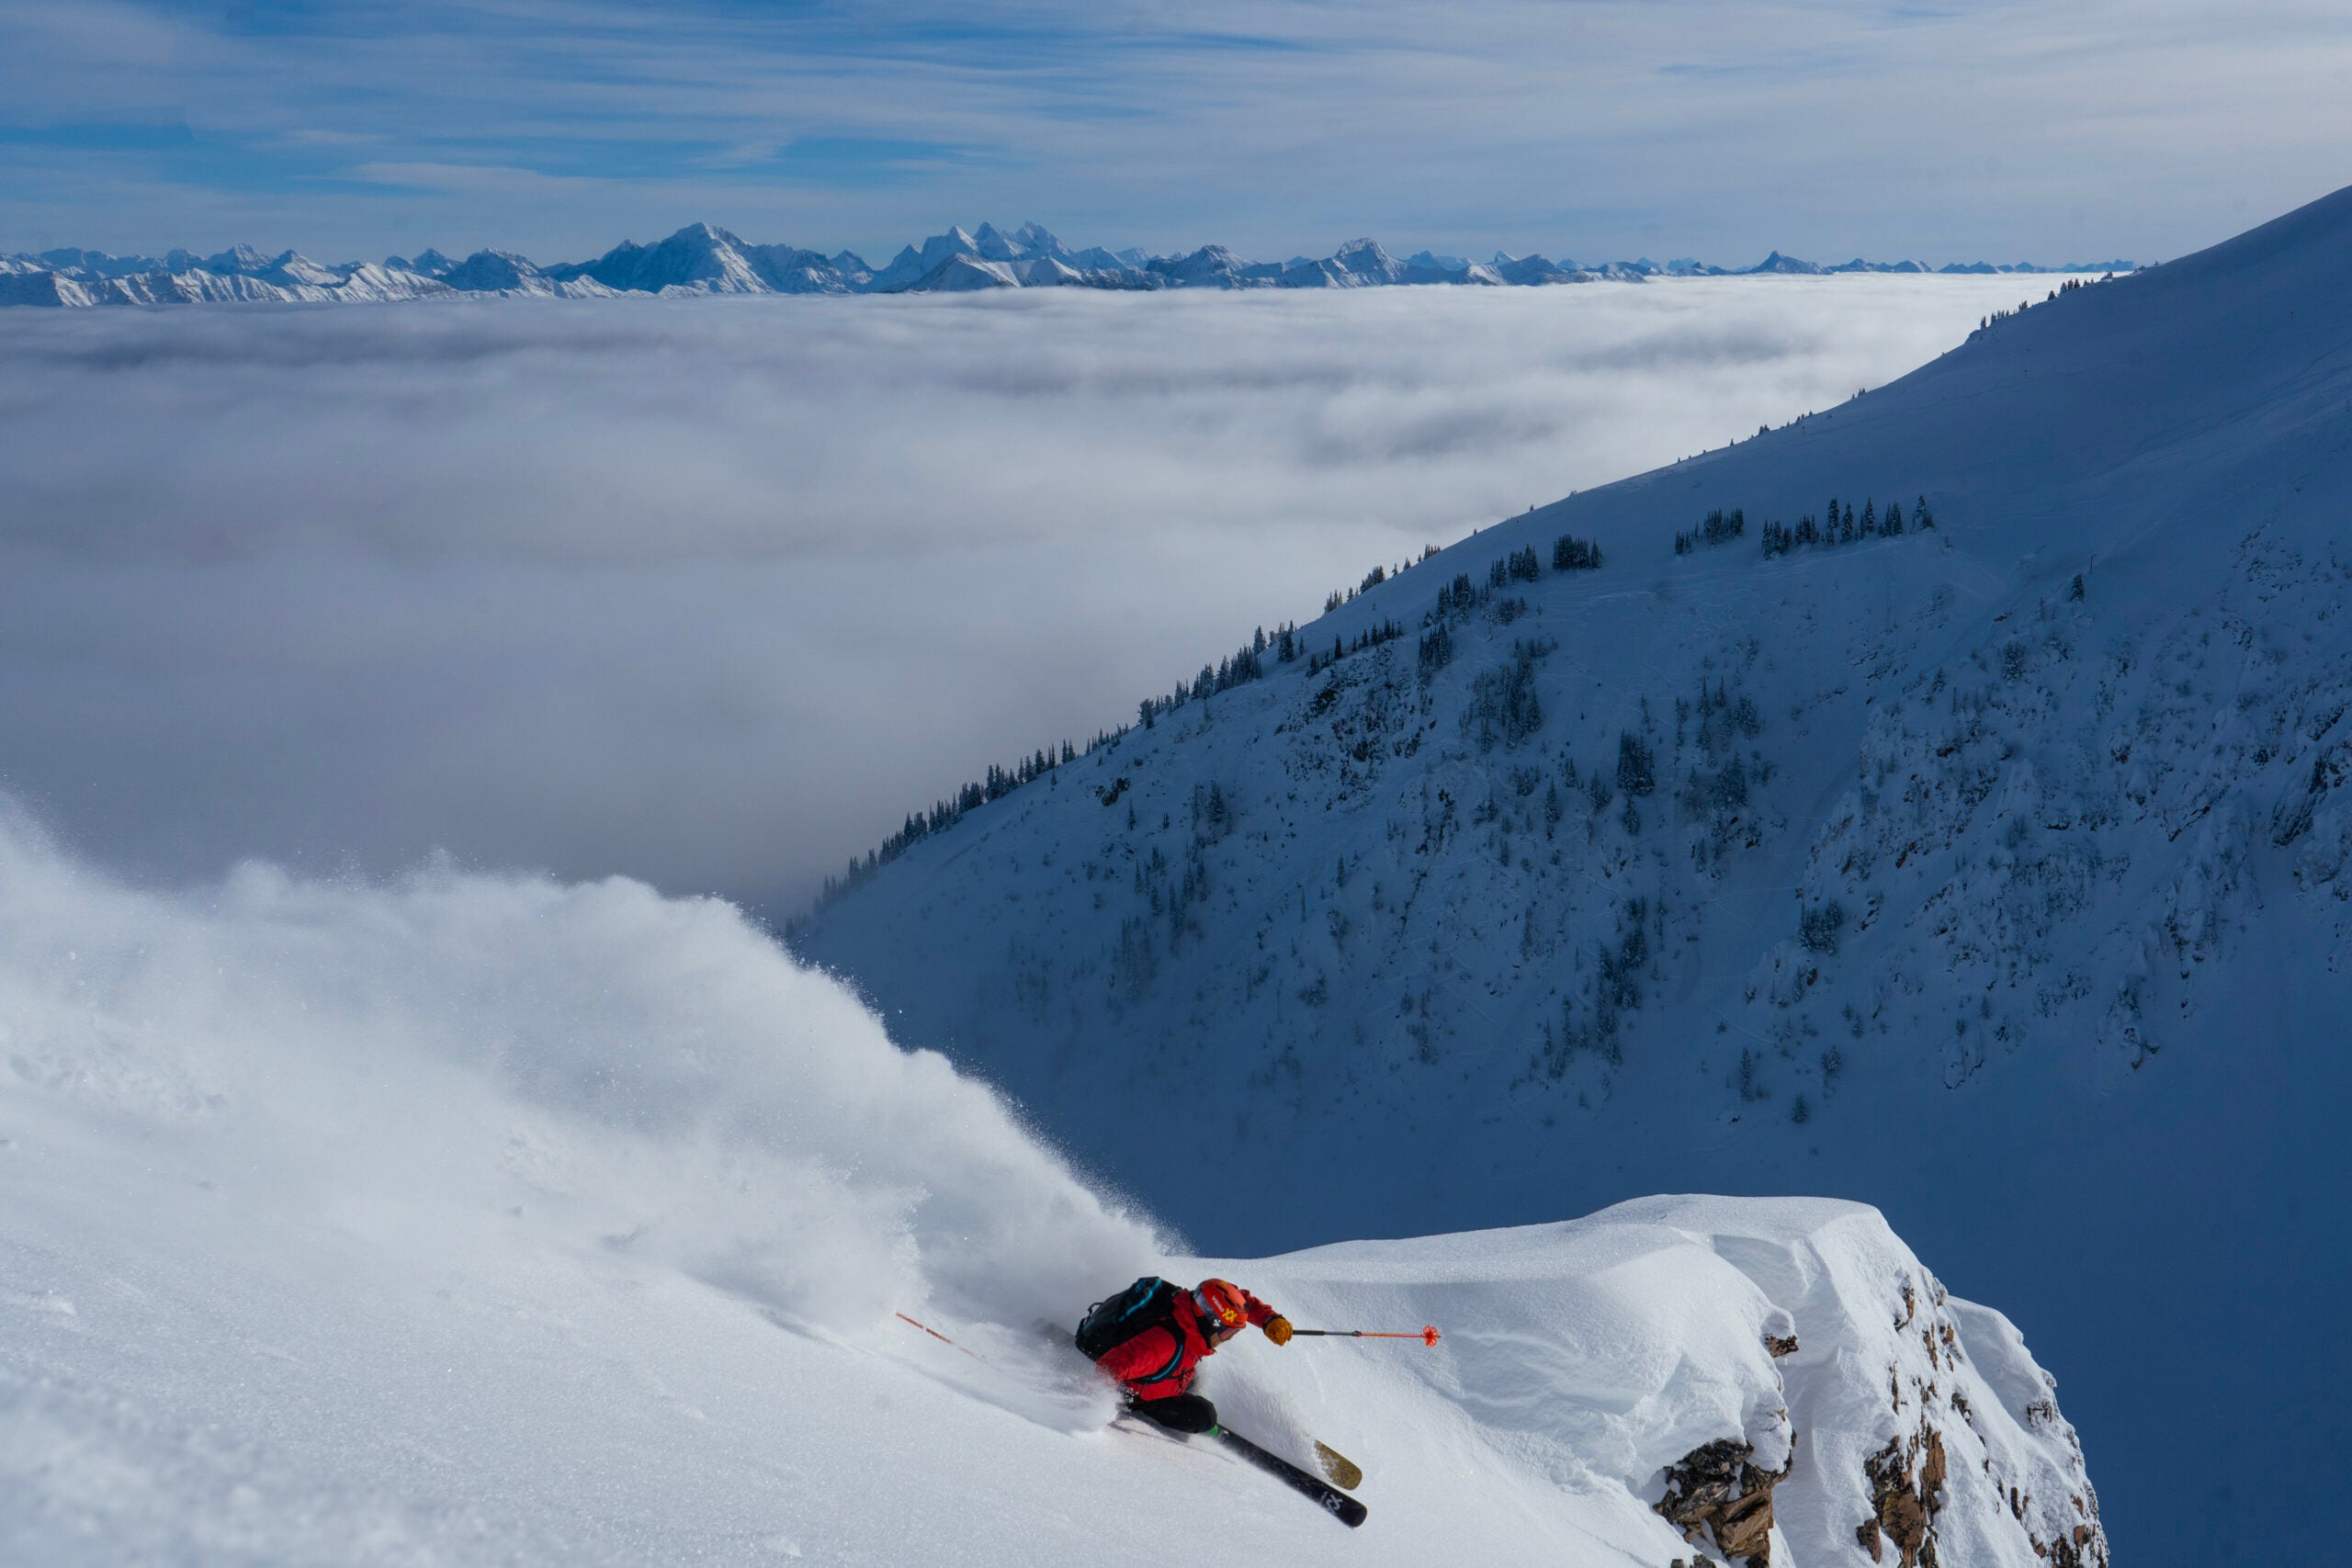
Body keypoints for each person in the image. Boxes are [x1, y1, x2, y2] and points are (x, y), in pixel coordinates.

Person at [1090, 1278, 1293, 1434]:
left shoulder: (1192, 1308)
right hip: (1138, 1394)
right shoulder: (1164, 1344)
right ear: (1209, 1322)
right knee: (1204, 1416)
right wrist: (1099, 1407)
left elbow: (1236, 1300)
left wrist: (1269, 1319)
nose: (1227, 1339)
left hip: (1166, 1369)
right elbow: (1111, 1365)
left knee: (1195, 1379)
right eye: (1226, 1332)